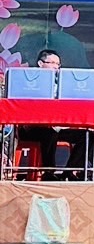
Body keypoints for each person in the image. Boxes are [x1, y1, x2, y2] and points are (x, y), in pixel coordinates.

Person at [16, 50, 88, 179]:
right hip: (32, 128)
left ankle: (70, 171)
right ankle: (48, 172)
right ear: (40, 63)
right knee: (49, 133)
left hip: (57, 127)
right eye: (52, 63)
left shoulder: (63, 84)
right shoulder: (29, 82)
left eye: (58, 64)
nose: (55, 67)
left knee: (86, 135)